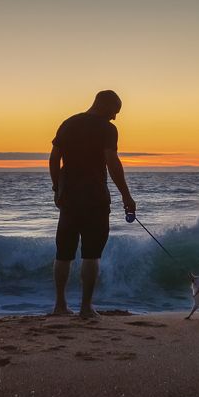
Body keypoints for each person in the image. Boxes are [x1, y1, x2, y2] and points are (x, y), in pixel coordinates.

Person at [48, 90, 136, 318]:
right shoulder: (107, 129)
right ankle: (86, 308)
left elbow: (54, 157)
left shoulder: (68, 123)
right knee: (91, 254)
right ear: (104, 105)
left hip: (68, 199)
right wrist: (126, 196)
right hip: (95, 198)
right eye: (114, 112)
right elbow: (112, 162)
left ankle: (59, 306)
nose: (115, 117)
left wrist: (57, 188)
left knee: (63, 253)